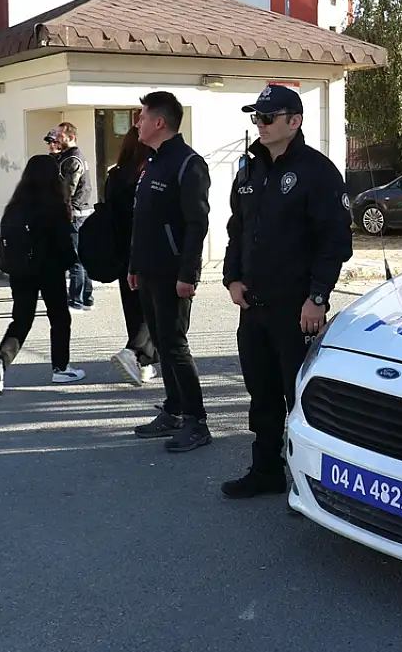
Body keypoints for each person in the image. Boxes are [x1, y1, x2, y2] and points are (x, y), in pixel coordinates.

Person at [220, 84, 353, 499]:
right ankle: (266, 470)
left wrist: (317, 297)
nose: (259, 124)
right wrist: (231, 277)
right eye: (255, 117)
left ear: (293, 122)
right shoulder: (250, 169)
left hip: (295, 308)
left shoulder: (317, 171)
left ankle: (309, 484)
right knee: (261, 395)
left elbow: (335, 242)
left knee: (300, 398)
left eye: (267, 117)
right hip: (253, 304)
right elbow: (236, 229)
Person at [127, 91, 213, 453]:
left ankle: (197, 422)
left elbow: (197, 223)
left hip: (172, 275)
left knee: (176, 346)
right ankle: (173, 410)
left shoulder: (188, 164)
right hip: (147, 271)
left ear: (159, 122)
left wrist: (187, 274)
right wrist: (134, 265)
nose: (137, 124)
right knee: (161, 343)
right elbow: (142, 219)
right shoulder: (152, 161)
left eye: (142, 117)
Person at [0, 154, 87, 394]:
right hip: (48, 269)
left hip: (19, 270)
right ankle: (61, 369)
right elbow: (64, 243)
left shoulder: (15, 205)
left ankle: (0, 362)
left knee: (21, 319)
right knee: (60, 318)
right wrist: (71, 262)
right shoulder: (55, 204)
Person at [106, 125, 161, 387]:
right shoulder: (147, 175)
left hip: (120, 251)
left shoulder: (114, 176)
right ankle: (134, 352)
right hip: (147, 250)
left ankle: (142, 364)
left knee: (133, 308)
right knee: (153, 310)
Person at [53, 122, 96, 311]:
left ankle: (76, 301)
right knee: (82, 257)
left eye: (60, 136)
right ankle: (87, 299)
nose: (56, 139)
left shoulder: (72, 159)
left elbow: (67, 191)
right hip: (80, 212)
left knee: (76, 259)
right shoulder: (71, 157)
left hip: (75, 214)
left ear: (71, 137)